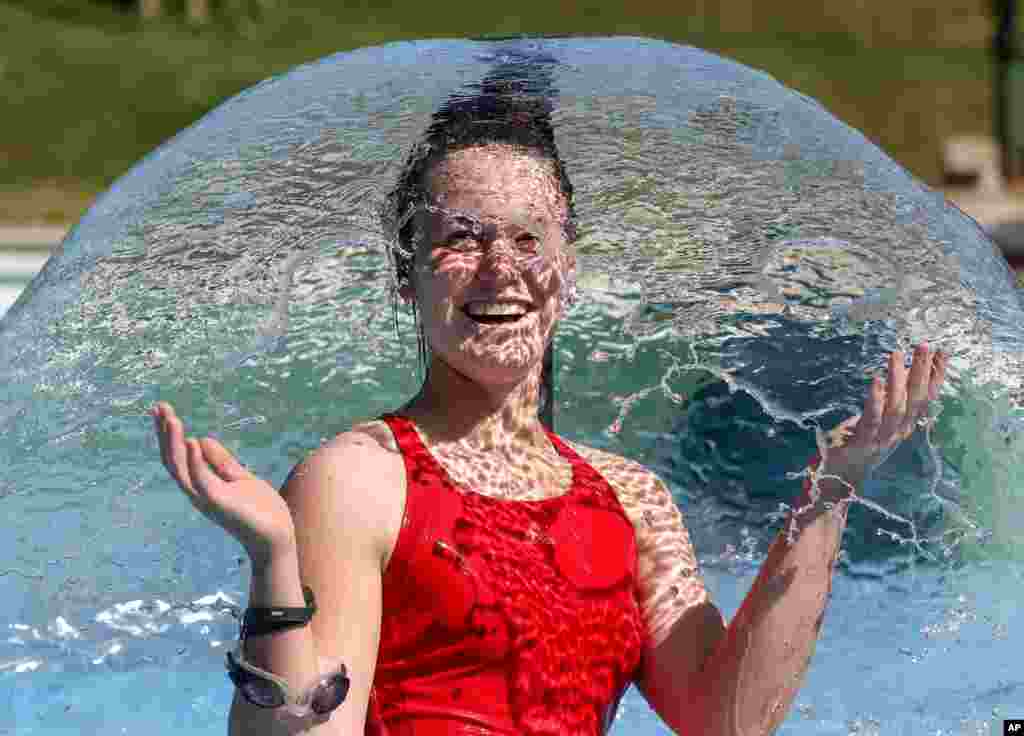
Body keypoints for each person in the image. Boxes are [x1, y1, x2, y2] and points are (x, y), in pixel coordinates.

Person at [151, 58, 948, 736]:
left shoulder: (633, 500)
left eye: (531, 238)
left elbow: (730, 718)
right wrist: (275, 565)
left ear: (568, 271)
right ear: (408, 275)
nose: (502, 266)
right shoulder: (358, 480)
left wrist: (830, 493)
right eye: (461, 237)